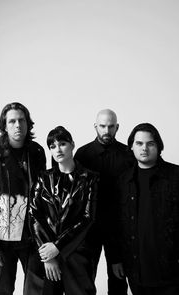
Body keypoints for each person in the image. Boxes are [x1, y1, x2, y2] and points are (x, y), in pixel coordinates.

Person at [111, 123, 179, 295]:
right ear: (131, 146)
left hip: (173, 275)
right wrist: (116, 258)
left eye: (150, 143)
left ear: (159, 146)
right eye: (139, 143)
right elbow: (115, 225)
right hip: (136, 274)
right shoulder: (123, 182)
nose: (144, 148)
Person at [0, 102, 46, 295]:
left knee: (36, 289)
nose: (17, 125)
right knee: (4, 288)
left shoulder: (37, 152)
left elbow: (43, 196)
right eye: (12, 121)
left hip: (32, 236)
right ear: (4, 126)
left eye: (21, 120)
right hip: (3, 238)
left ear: (28, 123)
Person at [28, 126, 98, 295]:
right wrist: (48, 254)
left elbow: (88, 218)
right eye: (52, 146)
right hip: (46, 250)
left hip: (76, 250)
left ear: (72, 145)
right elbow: (34, 215)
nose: (57, 149)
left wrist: (58, 246)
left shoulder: (90, 179)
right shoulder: (43, 178)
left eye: (62, 143)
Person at [74, 109, 133, 295]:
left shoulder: (128, 154)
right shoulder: (82, 154)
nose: (107, 130)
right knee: (84, 279)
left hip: (119, 227)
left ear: (117, 127)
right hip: (90, 227)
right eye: (102, 126)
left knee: (118, 279)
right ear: (95, 127)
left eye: (111, 126)